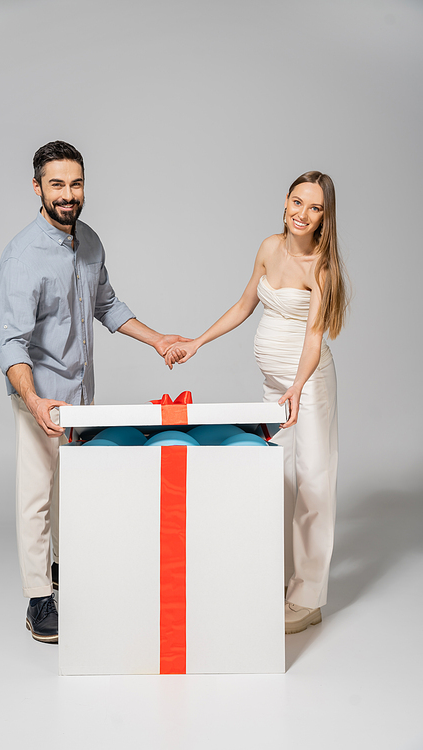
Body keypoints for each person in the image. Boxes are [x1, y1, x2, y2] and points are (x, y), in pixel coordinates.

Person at [0, 140, 188, 643]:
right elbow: (9, 343)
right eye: (56, 184)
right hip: (41, 394)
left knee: (73, 490)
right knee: (36, 496)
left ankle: (63, 571)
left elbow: (108, 305)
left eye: (75, 183)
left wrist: (158, 339)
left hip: (82, 396)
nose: (68, 194)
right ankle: (39, 598)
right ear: (37, 187)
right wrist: (35, 401)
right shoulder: (22, 255)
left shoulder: (92, 242)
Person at [165, 171, 348, 634]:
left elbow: (312, 339)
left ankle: (308, 598)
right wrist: (198, 341)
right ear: (284, 202)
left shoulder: (321, 267)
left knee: (313, 485)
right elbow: (246, 303)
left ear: (326, 217)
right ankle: (282, 582)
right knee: (279, 482)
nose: (302, 214)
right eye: (297, 202)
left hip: (306, 386)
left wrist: (298, 387)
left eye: (315, 208)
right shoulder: (269, 247)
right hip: (274, 385)